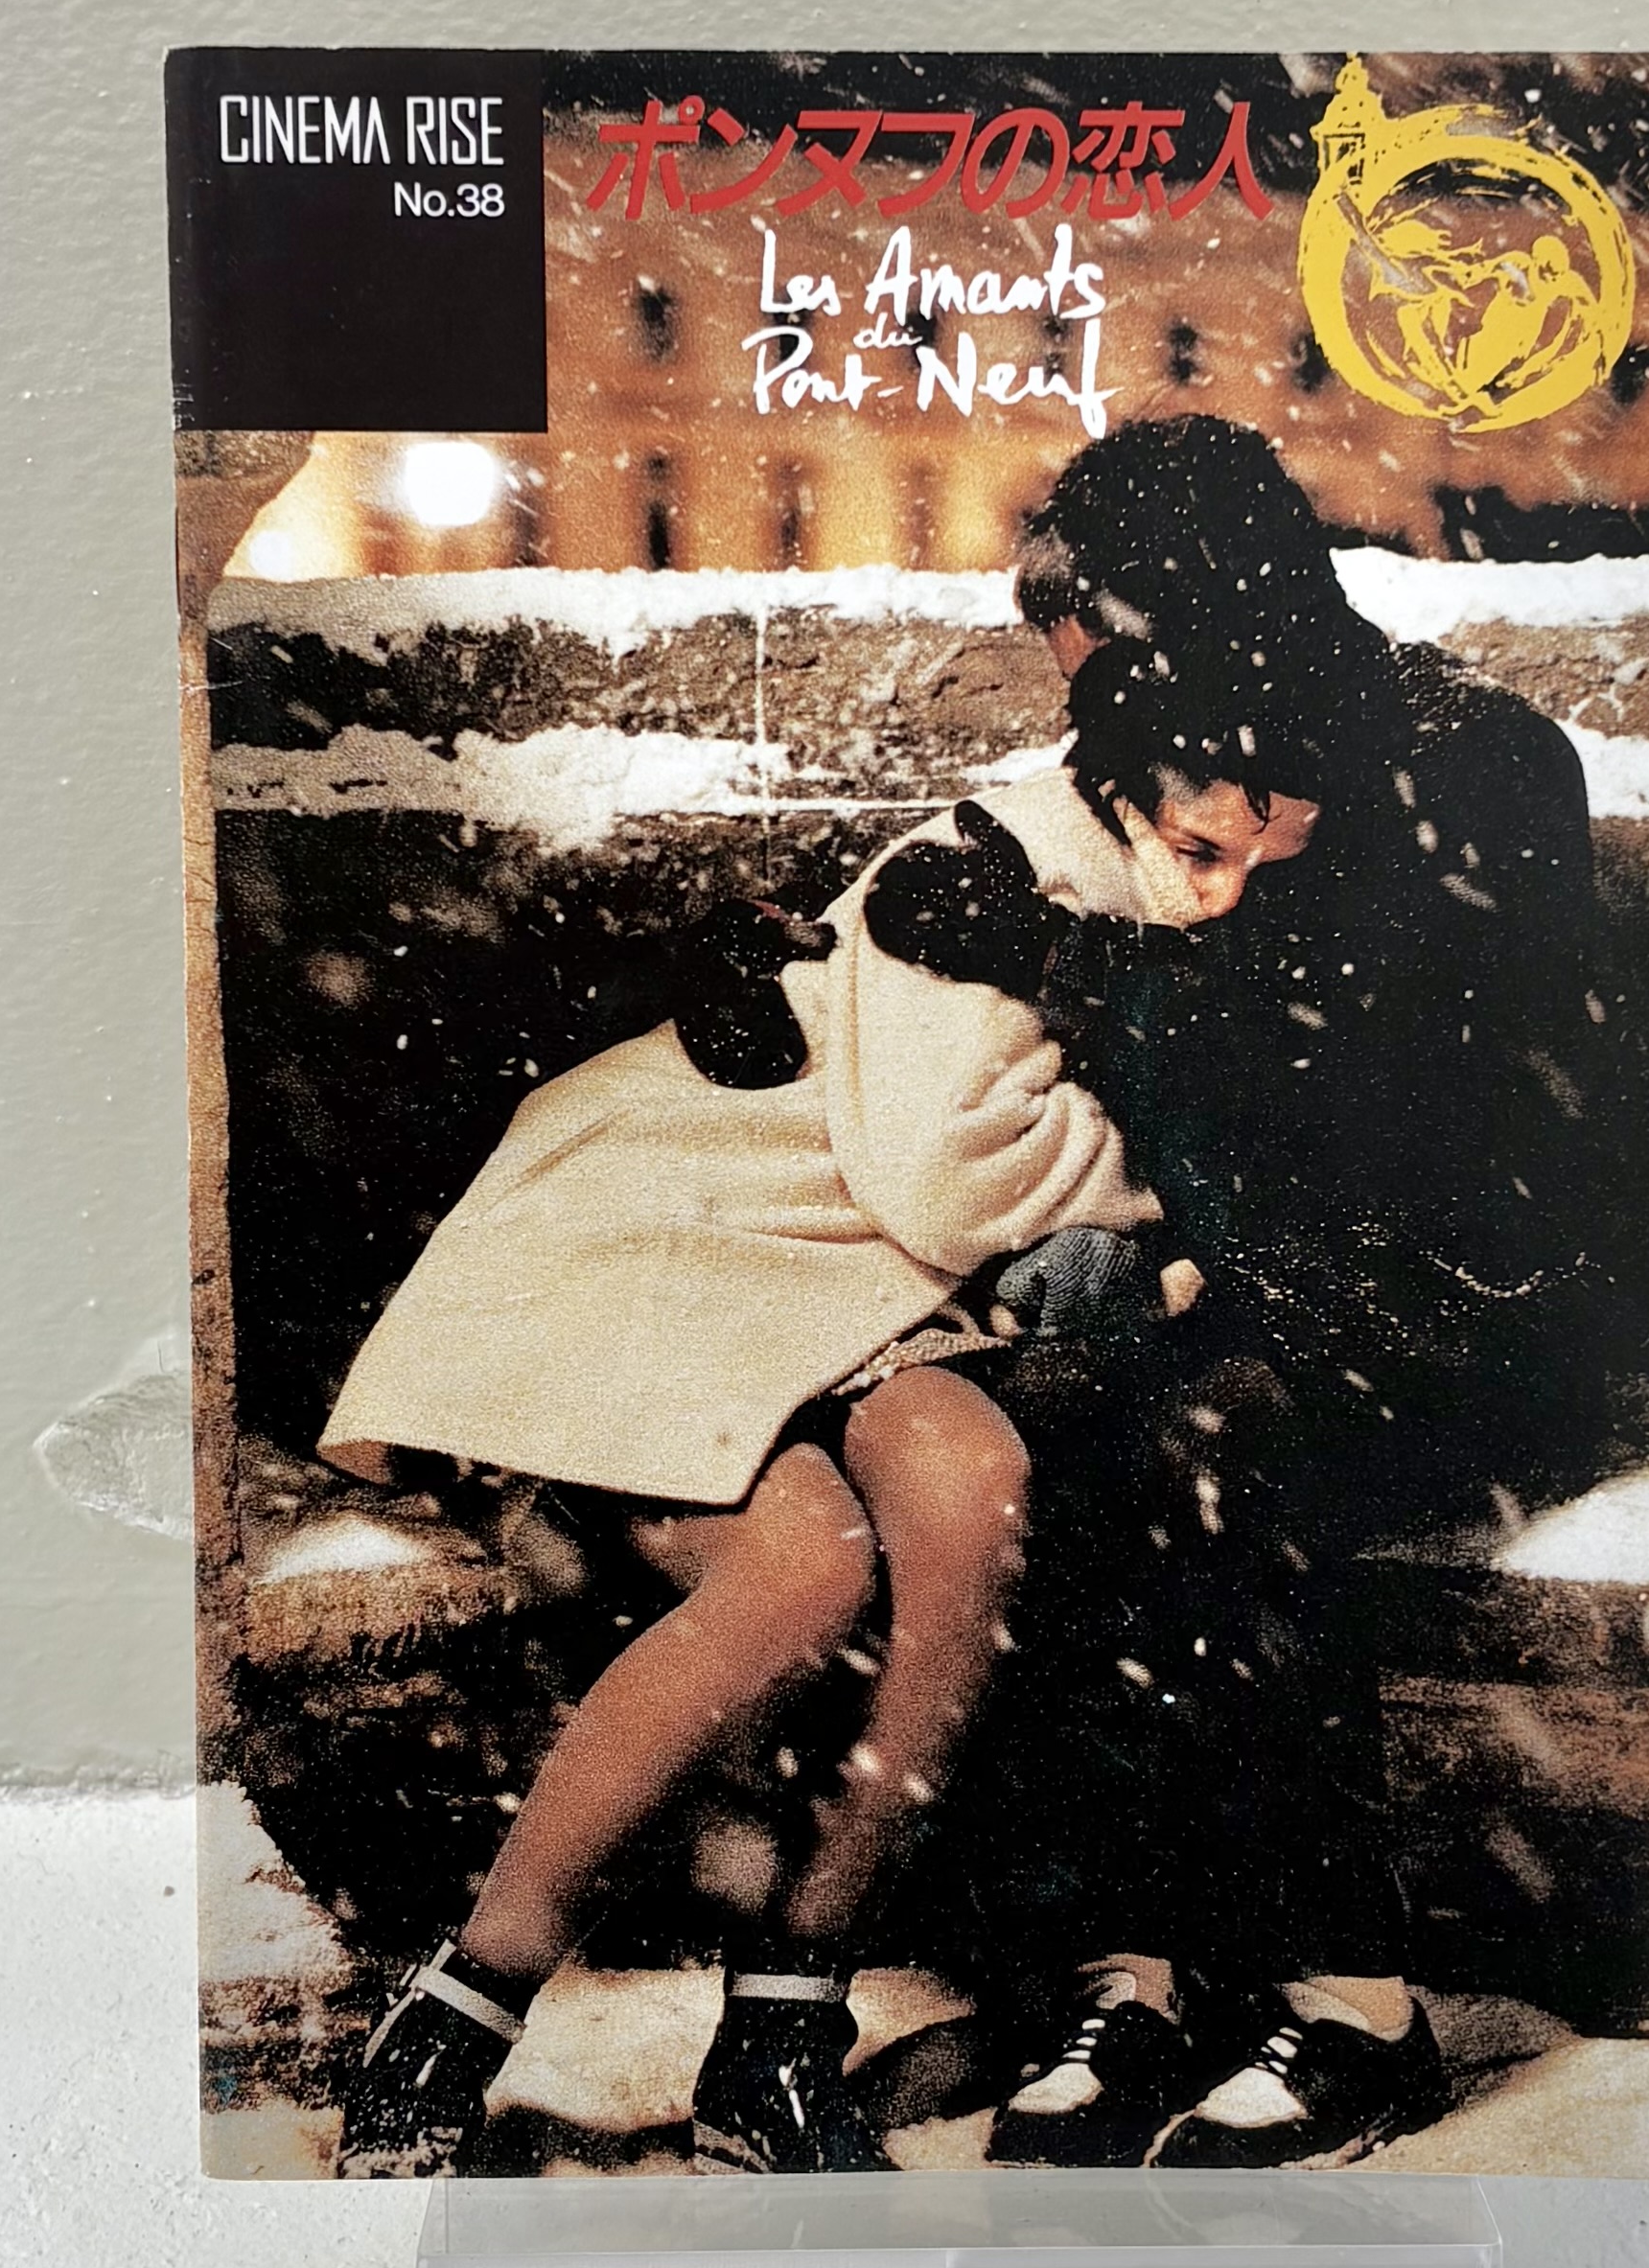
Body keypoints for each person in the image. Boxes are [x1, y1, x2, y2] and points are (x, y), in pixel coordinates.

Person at [324, 632, 1330, 2178]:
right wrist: (1165, 1198)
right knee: (804, 1573)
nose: (1226, 894)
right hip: (684, 1218)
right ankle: (462, 2009)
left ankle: (785, 2025)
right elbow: (949, 1180)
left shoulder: (1179, 914)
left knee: (970, 1491)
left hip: (869, 1283)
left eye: (1267, 862)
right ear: (1127, 793)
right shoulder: (982, 878)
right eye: (1202, 851)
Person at [879, 416, 1612, 2169]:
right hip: (1276, 1279)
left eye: (1107, 656)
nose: (1089, 706)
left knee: (1212, 1447)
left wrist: (1055, 952)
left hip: (1474, 1302)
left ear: (1212, 609)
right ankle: (1129, 1972)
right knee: (1010, 1429)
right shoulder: (1179, 749)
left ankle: (1356, 2000)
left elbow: (1340, 1058)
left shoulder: (1475, 762)